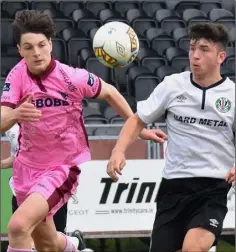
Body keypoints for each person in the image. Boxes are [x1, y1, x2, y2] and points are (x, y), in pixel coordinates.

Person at [0, 10, 167, 252]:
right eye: (28, 47)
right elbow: (3, 117)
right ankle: (76, 247)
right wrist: (16, 114)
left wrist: (137, 128)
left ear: (50, 44)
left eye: (41, 45)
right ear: (19, 50)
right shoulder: (16, 76)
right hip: (26, 169)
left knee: (17, 227)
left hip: (61, 167)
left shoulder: (71, 78)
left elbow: (109, 91)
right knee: (46, 244)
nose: (36, 53)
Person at [107, 22, 235, 252]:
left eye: (204, 50)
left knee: (193, 248)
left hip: (213, 188)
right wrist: (118, 151)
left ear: (220, 56)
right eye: (192, 48)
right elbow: (137, 120)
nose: (195, 55)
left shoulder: (232, 95)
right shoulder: (173, 86)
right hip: (174, 187)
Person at [1, 124, 89, 251]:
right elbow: (18, 156)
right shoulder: (10, 120)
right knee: (24, 235)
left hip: (50, 186)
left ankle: (73, 243)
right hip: (21, 188)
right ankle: (74, 242)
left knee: (47, 242)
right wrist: (3, 164)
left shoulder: (51, 111)